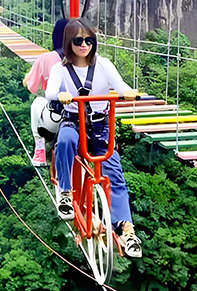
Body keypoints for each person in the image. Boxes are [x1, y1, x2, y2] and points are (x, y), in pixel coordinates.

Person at [45, 17, 143, 258]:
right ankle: (66, 193)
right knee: (66, 140)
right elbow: (50, 91)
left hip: (100, 127)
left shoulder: (104, 64)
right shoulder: (60, 69)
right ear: (69, 43)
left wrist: (127, 92)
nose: (84, 45)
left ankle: (126, 230)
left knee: (114, 173)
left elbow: (119, 85)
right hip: (74, 122)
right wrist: (61, 95)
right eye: (78, 41)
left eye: (89, 40)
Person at [23, 18, 68, 166]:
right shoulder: (86, 58)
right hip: (85, 118)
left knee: (37, 103)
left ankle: (39, 150)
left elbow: (31, 86)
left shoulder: (45, 58)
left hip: (56, 119)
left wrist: (28, 77)